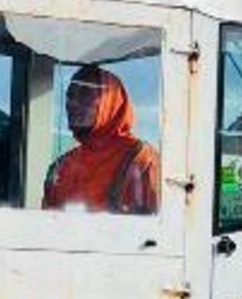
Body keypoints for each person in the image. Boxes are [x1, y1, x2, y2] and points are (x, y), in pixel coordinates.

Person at [43, 64, 159, 214]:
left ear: (111, 102)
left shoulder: (142, 159)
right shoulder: (61, 166)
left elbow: (161, 228)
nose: (73, 103)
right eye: (70, 96)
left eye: (85, 94)